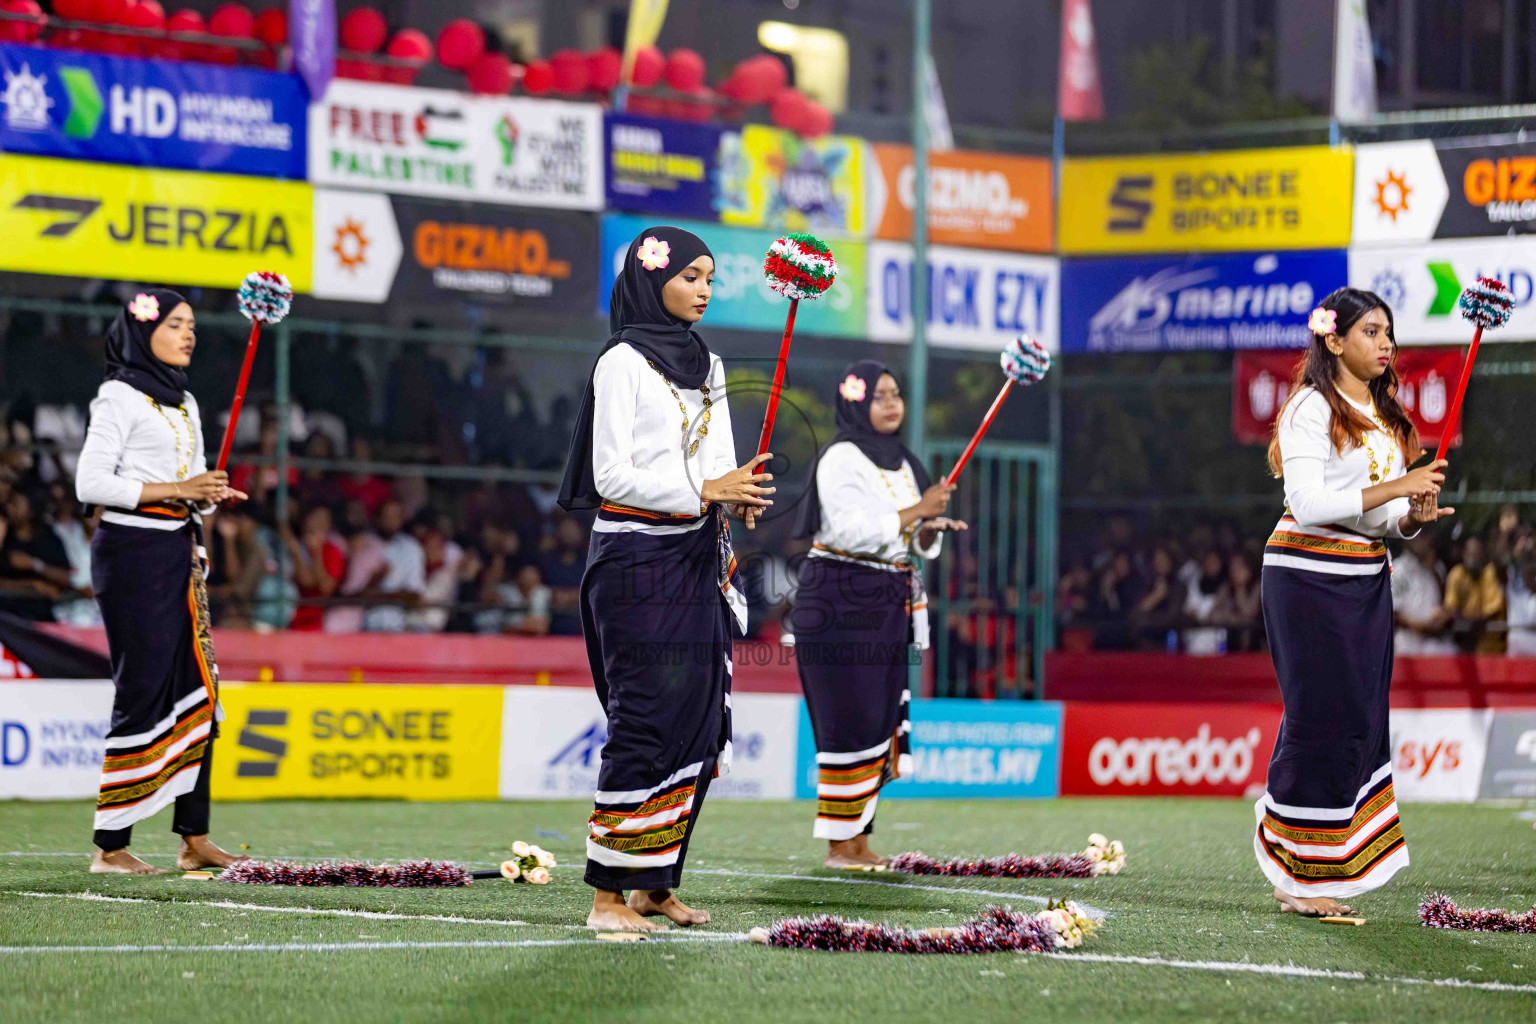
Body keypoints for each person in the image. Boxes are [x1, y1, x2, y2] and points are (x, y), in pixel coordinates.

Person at [558, 226, 771, 932]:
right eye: (690, 276)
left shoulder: (707, 362)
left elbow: (722, 460)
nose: (703, 289)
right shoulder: (620, 361)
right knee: (646, 714)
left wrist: (736, 493)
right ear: (655, 281)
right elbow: (609, 473)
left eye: (710, 277)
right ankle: (607, 898)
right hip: (634, 559)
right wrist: (706, 487)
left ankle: (656, 882)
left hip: (696, 556)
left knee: (700, 719)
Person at [1255, 288, 1451, 916]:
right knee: (1319, 715)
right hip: (1306, 576)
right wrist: (1398, 485)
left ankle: (1323, 870)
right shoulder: (1310, 406)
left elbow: (1385, 518)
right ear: (1334, 340)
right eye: (1370, 332)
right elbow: (1309, 504)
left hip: (1366, 577)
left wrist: (1413, 516)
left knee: (1359, 721)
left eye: (1388, 333)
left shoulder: (1388, 416)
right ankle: (1296, 878)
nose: (1385, 344)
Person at [73, 289, 250, 875]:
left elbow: (189, 486)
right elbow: (91, 483)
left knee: (200, 687)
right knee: (142, 687)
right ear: (141, 334)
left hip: (177, 550)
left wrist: (206, 501)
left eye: (192, 325)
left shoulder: (185, 402)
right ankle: (110, 845)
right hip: (131, 554)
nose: (188, 334)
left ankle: (193, 838)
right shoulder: (118, 396)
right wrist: (181, 490)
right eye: (176, 325)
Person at [789, 361, 965, 868]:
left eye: (896, 394)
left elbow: (908, 537)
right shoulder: (840, 457)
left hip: (887, 595)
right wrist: (918, 511)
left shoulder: (905, 462)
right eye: (879, 396)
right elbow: (846, 531)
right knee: (851, 714)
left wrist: (930, 527)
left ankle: (860, 842)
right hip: (841, 596)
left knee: (882, 713)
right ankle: (840, 846)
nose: (891, 404)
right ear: (856, 402)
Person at [1391, 533, 1455, 655]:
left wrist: (1443, 616)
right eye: (1419, 537)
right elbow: (1394, 614)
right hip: (1408, 644)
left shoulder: (1436, 566)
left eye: (1425, 536)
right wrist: (1420, 626)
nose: (1425, 542)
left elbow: (1444, 600)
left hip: (1434, 643)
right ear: (1408, 540)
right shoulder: (1399, 569)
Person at [1443, 536, 1506, 653]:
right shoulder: (1457, 574)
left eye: (1477, 553)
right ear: (1464, 553)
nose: (1474, 557)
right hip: (1463, 642)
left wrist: (1473, 623)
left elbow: (1494, 610)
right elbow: (1451, 607)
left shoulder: (1489, 573)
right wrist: (1464, 624)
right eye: (1471, 553)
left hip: (1489, 645)